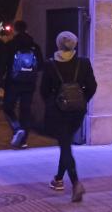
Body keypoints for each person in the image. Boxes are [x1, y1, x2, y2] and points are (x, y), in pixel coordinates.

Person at [40, 31, 97, 202]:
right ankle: (58, 179)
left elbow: (44, 91)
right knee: (65, 144)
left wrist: (53, 103)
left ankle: (75, 183)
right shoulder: (84, 63)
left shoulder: (50, 65)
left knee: (65, 146)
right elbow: (92, 86)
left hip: (59, 111)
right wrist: (82, 100)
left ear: (58, 44)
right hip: (77, 111)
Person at [0, 20, 43, 149]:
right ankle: (23, 141)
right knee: (25, 110)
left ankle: (17, 129)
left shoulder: (10, 45)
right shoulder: (34, 46)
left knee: (8, 107)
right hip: (29, 83)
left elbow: (2, 64)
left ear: (15, 30)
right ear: (26, 30)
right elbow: (40, 66)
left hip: (13, 82)